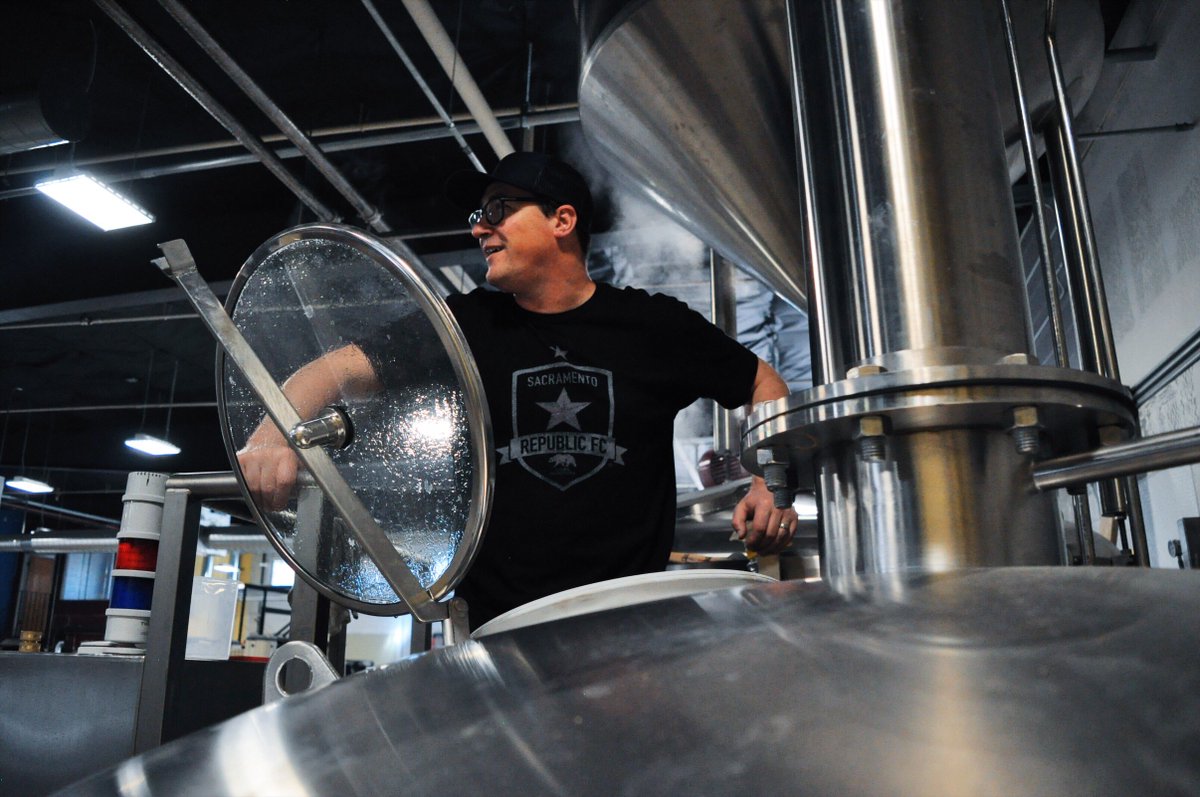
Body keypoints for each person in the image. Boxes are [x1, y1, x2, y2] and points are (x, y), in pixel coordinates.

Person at [238, 152, 796, 629]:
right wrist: (272, 433)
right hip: (501, 627)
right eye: (479, 216)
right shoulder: (464, 326)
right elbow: (332, 371)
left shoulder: (651, 325)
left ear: (563, 220)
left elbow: (763, 383)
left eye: (499, 210)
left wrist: (770, 482)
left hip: (629, 619)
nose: (479, 228)